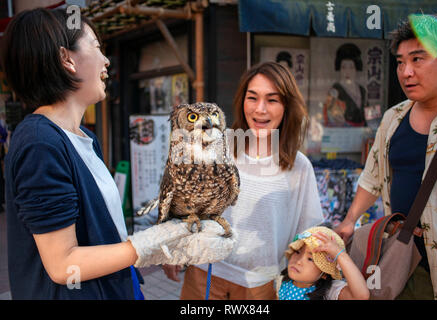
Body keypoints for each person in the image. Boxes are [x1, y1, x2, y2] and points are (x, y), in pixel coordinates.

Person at [2, 8, 232, 300]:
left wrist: (157, 250)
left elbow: (101, 234)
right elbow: (63, 264)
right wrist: (149, 242)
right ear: (66, 59)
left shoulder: (83, 137)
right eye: (97, 47)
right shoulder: (40, 143)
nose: (106, 60)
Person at [162, 61, 325, 299]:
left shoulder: (298, 166)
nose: (260, 109)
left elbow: (309, 233)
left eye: (272, 100)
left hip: (261, 286)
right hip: (204, 274)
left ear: (286, 106)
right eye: (252, 98)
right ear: (242, 101)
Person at [335, 12, 437, 300]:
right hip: (401, 260)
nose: (406, 71)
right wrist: (350, 220)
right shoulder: (394, 118)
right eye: (400, 62)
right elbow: (372, 176)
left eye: (418, 59)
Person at [276, 226, 369, 300]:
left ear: (324, 274)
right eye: (297, 252)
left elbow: (361, 296)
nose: (299, 261)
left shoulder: (330, 291)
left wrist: (340, 255)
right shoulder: (282, 281)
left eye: (310, 259)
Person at [323, 43, 367, 127]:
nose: (347, 71)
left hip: (362, 133)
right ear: (339, 68)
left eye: (351, 67)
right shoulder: (335, 90)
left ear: (356, 69)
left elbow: (368, 114)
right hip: (343, 132)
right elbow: (330, 113)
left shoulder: (362, 90)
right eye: (343, 67)